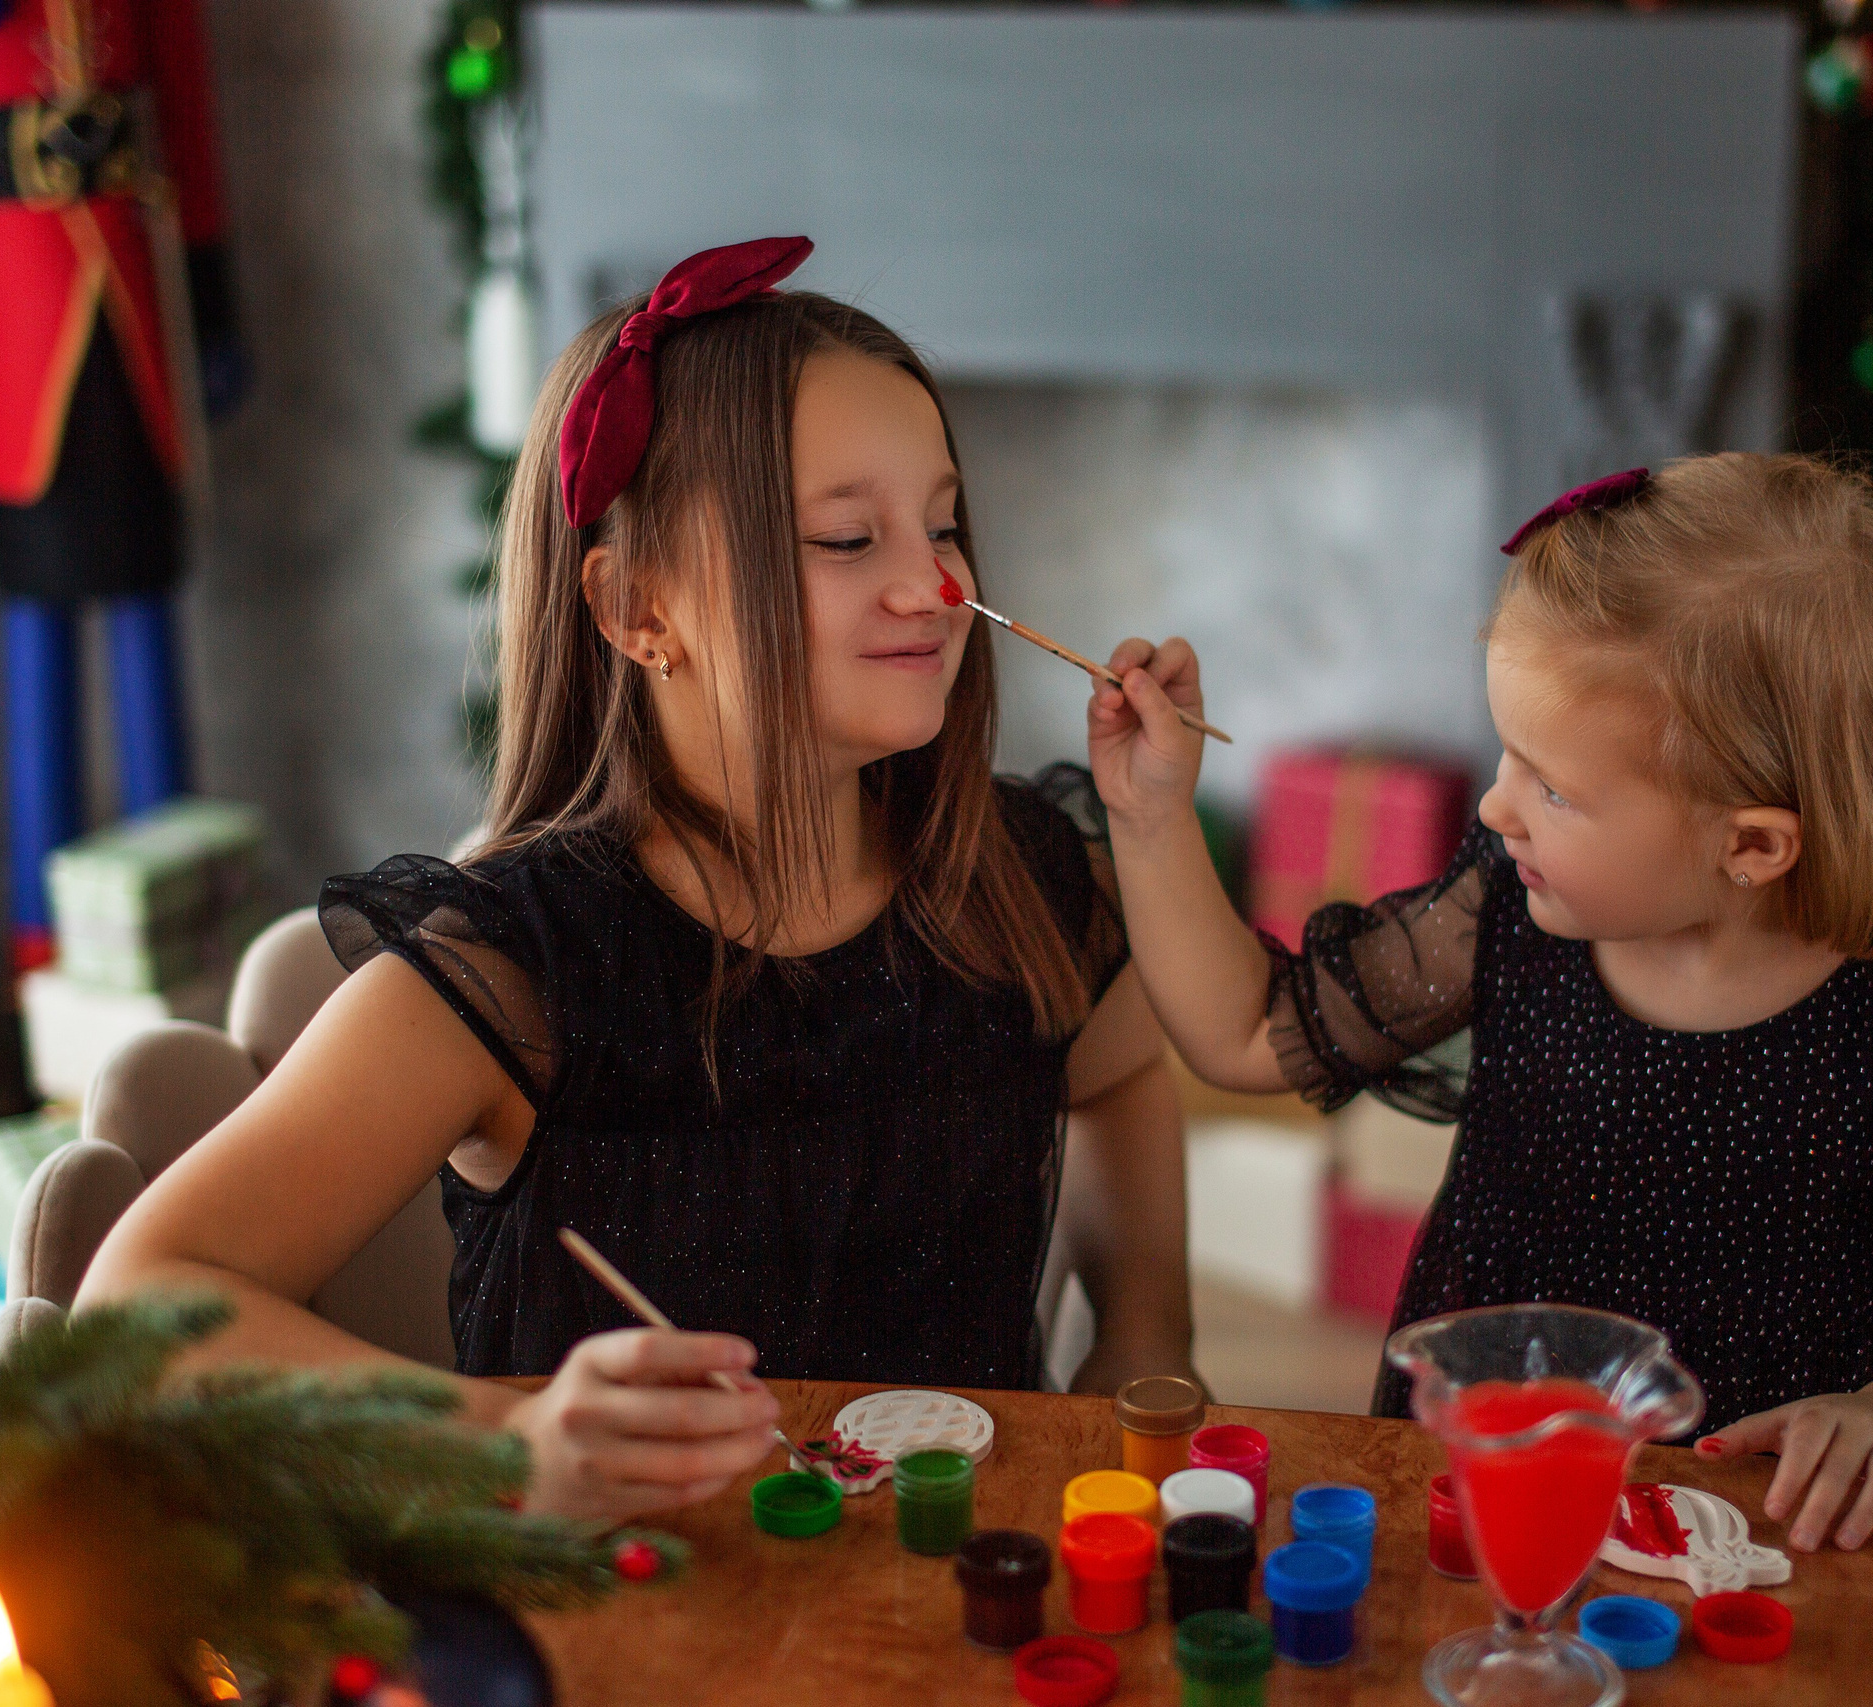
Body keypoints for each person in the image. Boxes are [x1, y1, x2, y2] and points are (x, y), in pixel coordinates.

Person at [83, 238, 1196, 1524]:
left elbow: (1120, 1069)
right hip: (635, 1604)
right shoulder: (520, 968)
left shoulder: (1015, 876)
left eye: (942, 524)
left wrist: (1143, 1331)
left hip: (961, 1593)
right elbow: (137, 1311)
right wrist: (511, 1442)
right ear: (636, 610)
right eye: (846, 537)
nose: (937, 586)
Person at [1090, 453, 1873, 1551]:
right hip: (1508, 1506)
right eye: (1508, 754)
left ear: (1750, 845)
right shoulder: (1504, 910)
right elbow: (1245, 1031)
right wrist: (1151, 813)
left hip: (1780, 1542)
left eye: (1552, 785)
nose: (1494, 807)